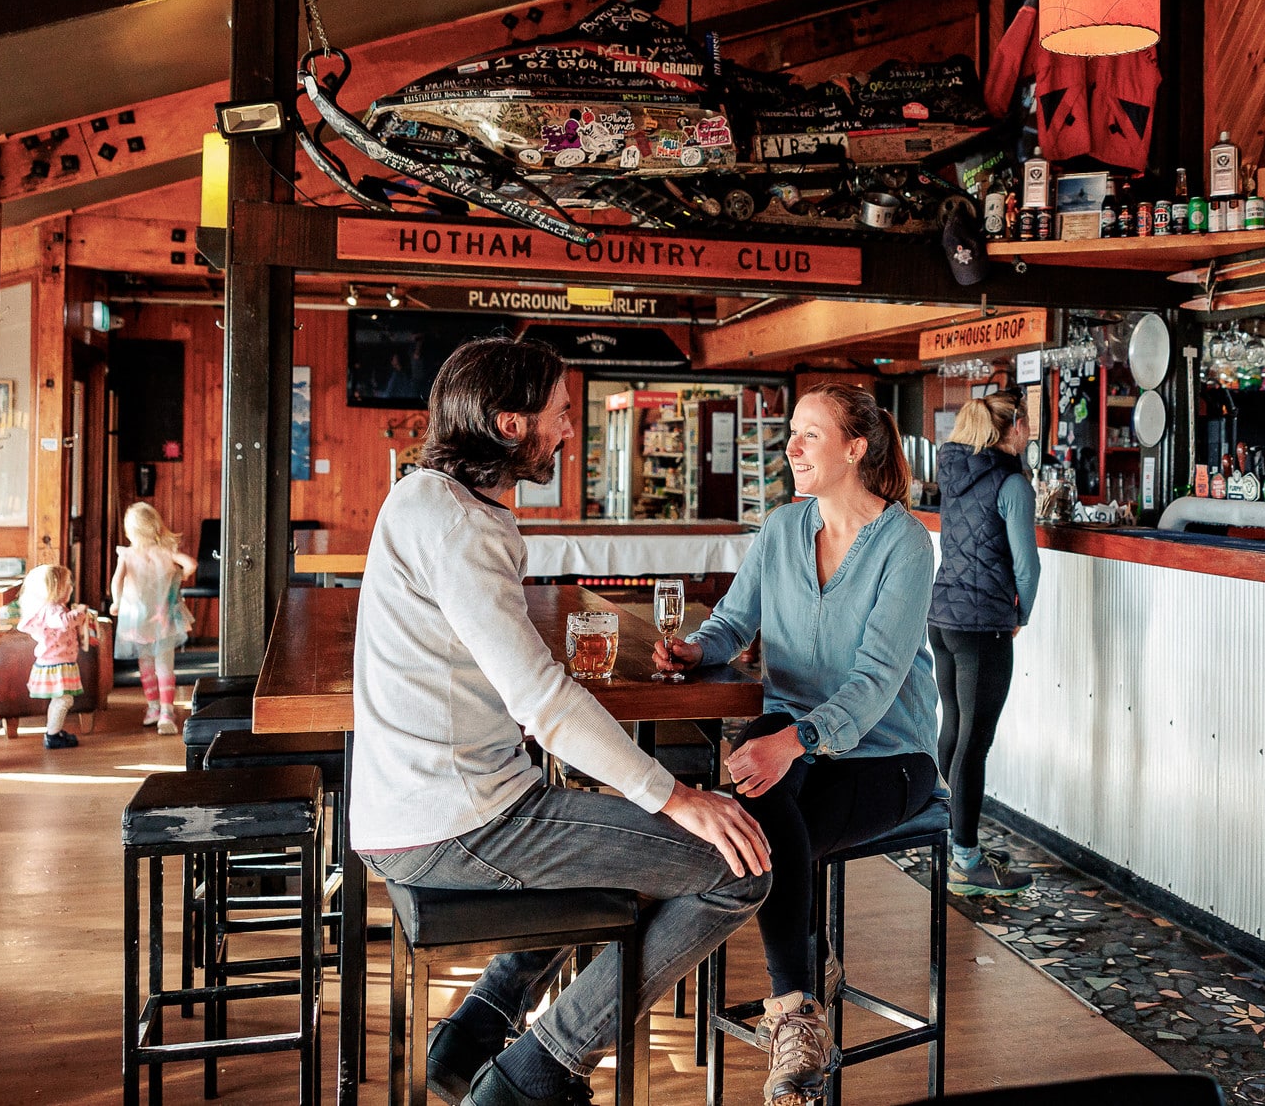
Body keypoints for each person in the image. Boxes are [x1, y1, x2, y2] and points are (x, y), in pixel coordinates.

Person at [350, 336, 771, 1106]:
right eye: (561, 413)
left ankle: (479, 1025)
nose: (570, 428)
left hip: (418, 807)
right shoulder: (462, 527)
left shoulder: (427, 498)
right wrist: (674, 795)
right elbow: (539, 700)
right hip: (456, 820)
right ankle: (541, 1067)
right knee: (736, 868)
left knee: (615, 849)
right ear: (510, 424)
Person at [654, 383, 940, 1106]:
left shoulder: (903, 543)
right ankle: (804, 999)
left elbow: (877, 681)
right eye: (791, 433)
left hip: (889, 754)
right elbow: (731, 623)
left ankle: (795, 1009)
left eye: (809, 435)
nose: (791, 448)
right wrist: (694, 649)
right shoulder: (782, 527)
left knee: (768, 822)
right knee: (761, 799)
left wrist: (799, 738)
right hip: (791, 741)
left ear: (857, 447)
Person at [927, 392, 1040, 897]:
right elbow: (1027, 566)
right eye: (1029, 425)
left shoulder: (956, 473)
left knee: (954, 731)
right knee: (975, 743)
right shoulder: (1012, 482)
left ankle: (947, 841)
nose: (1032, 434)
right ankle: (966, 859)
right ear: (1011, 428)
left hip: (944, 617)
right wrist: (1020, 614)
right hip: (983, 625)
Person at [111, 501, 197, 736]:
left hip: (138, 618)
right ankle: (167, 712)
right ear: (155, 526)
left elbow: (117, 580)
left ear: (131, 531)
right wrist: (181, 575)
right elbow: (191, 564)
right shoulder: (166, 553)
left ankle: (152, 708)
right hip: (163, 617)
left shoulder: (127, 555)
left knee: (145, 663)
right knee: (165, 664)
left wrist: (116, 601)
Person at [16, 564, 94, 750]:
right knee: (64, 699)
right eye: (68, 585)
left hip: (57, 662)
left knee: (59, 699)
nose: (71, 588)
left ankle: (54, 731)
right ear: (56, 588)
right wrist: (81, 613)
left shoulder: (53, 608)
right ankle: (52, 735)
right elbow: (63, 623)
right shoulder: (52, 610)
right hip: (56, 663)